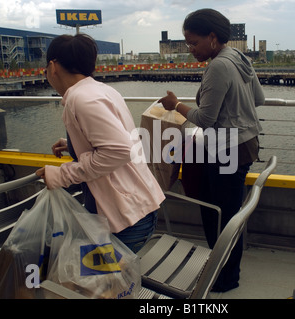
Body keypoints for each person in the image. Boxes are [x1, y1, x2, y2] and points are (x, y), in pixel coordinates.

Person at [159, 8, 265, 292]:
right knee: (222, 209)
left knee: (220, 215)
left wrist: (175, 105)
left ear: (213, 37)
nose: (190, 49)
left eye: (193, 42)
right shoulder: (240, 58)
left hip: (226, 148)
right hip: (244, 144)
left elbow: (205, 119)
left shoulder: (218, 66)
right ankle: (221, 268)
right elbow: (259, 98)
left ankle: (226, 278)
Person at [35, 33, 165, 253]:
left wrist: (61, 175)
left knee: (105, 286)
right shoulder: (101, 90)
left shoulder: (81, 99)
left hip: (125, 219)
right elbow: (119, 139)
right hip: (136, 208)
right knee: (108, 283)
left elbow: (119, 150)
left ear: (52, 66)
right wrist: (73, 144)